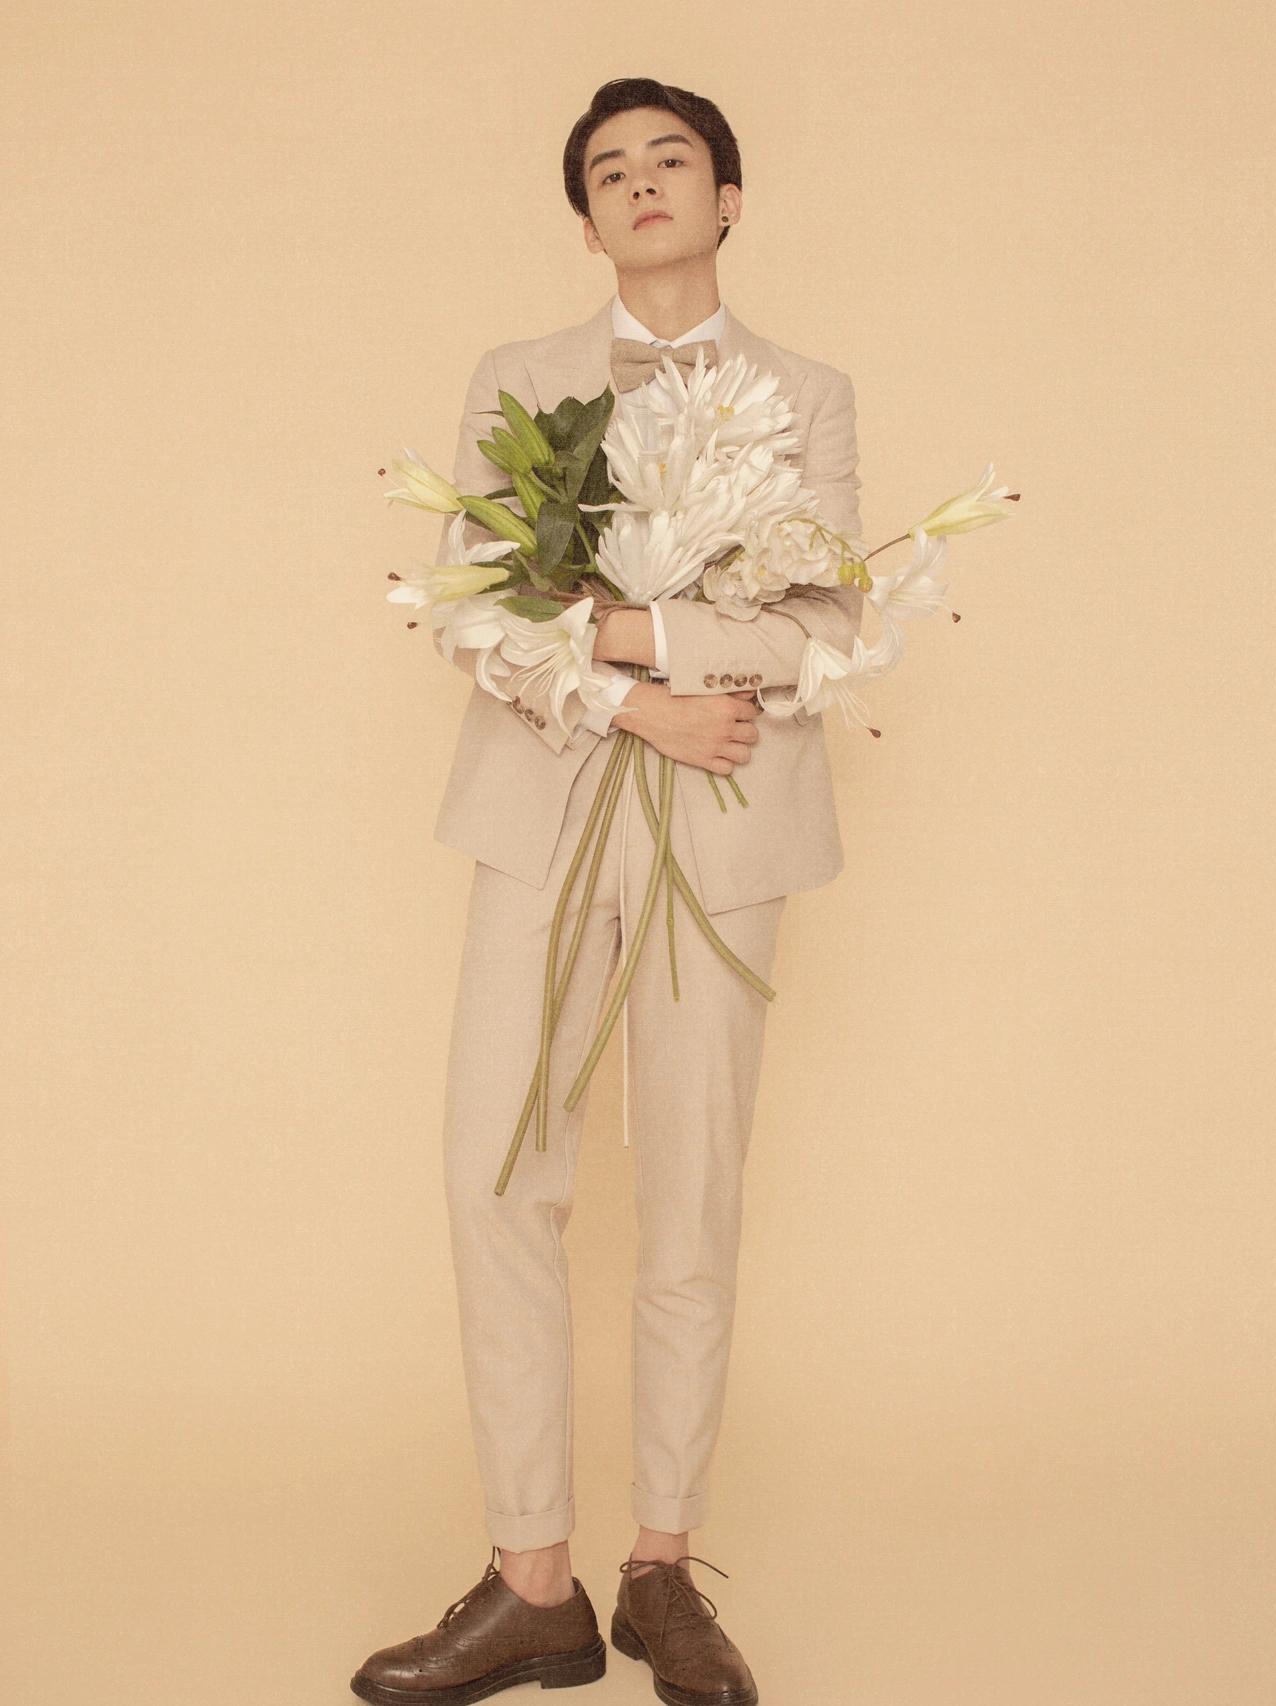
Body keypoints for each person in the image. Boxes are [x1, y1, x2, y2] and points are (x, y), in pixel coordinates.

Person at [351, 75, 864, 1706]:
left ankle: (661, 1572)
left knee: (694, 1191)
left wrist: (640, 631)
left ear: (728, 198)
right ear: (586, 223)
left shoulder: (809, 393)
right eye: (608, 171)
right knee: (496, 1170)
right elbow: (473, 611)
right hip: (545, 815)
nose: (640, 182)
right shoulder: (521, 380)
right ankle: (532, 1582)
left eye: (672, 159)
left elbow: (827, 629)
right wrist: (642, 703)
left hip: (732, 827)